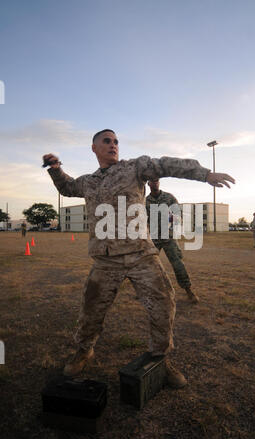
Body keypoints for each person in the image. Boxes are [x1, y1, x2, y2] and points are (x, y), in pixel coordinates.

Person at [43, 129, 235, 388]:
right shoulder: (88, 182)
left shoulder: (133, 168)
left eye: (116, 142)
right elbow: (66, 187)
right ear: (94, 148)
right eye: (107, 141)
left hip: (140, 255)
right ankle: (84, 351)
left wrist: (204, 174)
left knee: (163, 303)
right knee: (91, 310)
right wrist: (55, 169)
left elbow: (165, 164)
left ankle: (160, 359)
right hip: (106, 259)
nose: (113, 145)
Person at [146, 179, 199, 304]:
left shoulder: (169, 198)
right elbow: (142, 219)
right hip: (153, 239)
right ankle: (146, 291)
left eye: (157, 180)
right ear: (148, 183)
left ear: (159, 182)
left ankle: (188, 290)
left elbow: (179, 214)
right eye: (152, 181)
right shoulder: (145, 202)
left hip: (168, 237)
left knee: (178, 265)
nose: (155, 183)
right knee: (148, 266)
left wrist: (172, 220)